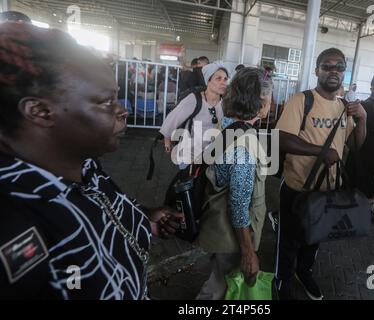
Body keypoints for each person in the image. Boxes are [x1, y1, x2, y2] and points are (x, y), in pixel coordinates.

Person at [0, 22, 183, 300]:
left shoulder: (84, 166)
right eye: (106, 102)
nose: (123, 110)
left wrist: (143, 219)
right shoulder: (13, 222)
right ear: (40, 111)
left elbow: (99, 211)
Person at [275, 48, 367, 300]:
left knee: (314, 238)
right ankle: (282, 279)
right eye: (327, 66)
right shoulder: (301, 100)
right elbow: (282, 139)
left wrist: (364, 118)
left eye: (339, 67)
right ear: (317, 70)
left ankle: (304, 273)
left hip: (327, 190)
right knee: (289, 241)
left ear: (344, 73)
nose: (333, 71)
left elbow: (356, 145)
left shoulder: (343, 107)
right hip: (297, 187)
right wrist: (320, 152)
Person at [196, 68, 273, 300]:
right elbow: (238, 205)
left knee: (219, 282)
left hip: (215, 223)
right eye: (269, 98)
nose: (272, 102)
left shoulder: (227, 124)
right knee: (218, 288)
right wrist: (248, 252)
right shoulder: (243, 147)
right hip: (230, 239)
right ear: (260, 103)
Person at [160, 61, 228, 166]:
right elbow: (172, 120)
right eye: (218, 78)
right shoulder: (194, 99)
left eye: (225, 79)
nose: (223, 82)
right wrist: (167, 143)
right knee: (188, 180)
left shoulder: (225, 103)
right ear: (208, 81)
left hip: (213, 156)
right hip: (190, 154)